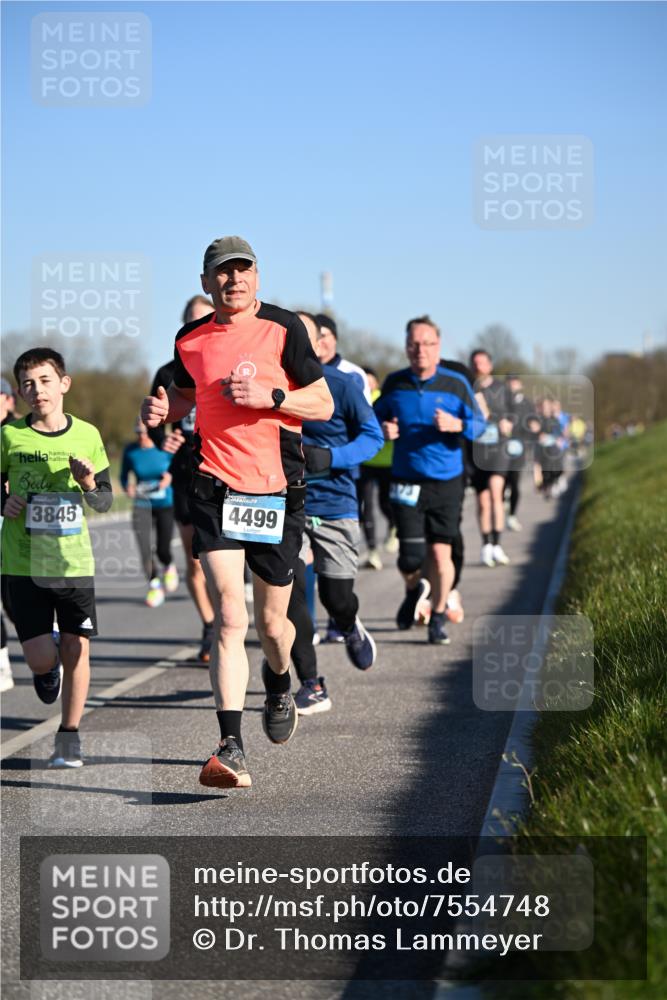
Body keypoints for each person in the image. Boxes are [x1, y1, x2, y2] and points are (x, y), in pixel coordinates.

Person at [141, 236, 333, 789]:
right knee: (230, 615)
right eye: (222, 273)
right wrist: (164, 408)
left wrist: (271, 398)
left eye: (243, 270)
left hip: (276, 489)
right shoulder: (191, 339)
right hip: (214, 486)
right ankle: (232, 745)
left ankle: (278, 682)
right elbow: (184, 396)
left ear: (257, 276)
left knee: (275, 626)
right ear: (206, 283)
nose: (234, 280)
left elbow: (320, 403)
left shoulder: (283, 328)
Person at [1, 348, 113, 767]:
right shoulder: (9, 436)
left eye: (45, 380)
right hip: (21, 561)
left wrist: (87, 483)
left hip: (72, 563)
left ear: (64, 383)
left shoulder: (87, 435)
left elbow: (103, 502)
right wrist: (4, 502)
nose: (37, 390)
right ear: (19, 391)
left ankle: (69, 735)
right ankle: (47, 669)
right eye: (28, 383)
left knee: (76, 647)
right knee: (41, 658)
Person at [285, 311, 382, 713]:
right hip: (285, 502)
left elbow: (372, 436)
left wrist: (332, 457)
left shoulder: (342, 386)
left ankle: (347, 623)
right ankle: (310, 682)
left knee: (336, 595)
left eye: (306, 337)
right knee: (288, 595)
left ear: (321, 343)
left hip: (334, 502)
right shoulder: (270, 387)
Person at [374, 317, 485, 645]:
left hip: (446, 482)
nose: (420, 350)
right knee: (409, 558)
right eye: (414, 344)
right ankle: (414, 589)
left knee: (440, 554)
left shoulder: (455, 383)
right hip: (405, 480)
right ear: (406, 346)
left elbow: (480, 424)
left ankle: (437, 616)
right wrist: (382, 430)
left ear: (439, 347)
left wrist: (457, 425)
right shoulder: (395, 383)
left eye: (427, 344)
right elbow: (371, 417)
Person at [150, 295, 217, 659]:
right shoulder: (166, 373)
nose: (197, 325)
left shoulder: (230, 366)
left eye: (203, 319)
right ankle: (210, 624)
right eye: (190, 320)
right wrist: (165, 437)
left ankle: (228, 618)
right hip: (185, 473)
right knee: (194, 559)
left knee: (224, 554)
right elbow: (155, 421)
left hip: (223, 468)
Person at [121, 417, 177, 608]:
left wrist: (170, 479)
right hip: (142, 504)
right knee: (145, 549)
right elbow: (123, 476)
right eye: (138, 432)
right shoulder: (131, 451)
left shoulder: (164, 448)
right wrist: (127, 485)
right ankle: (154, 585)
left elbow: (177, 470)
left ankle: (168, 565)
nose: (141, 436)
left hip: (165, 503)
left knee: (162, 549)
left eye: (144, 432)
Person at [469, 349, 515, 567]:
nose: (478, 366)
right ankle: (486, 545)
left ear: (490, 365)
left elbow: (514, 414)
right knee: (482, 501)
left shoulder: (502, 388)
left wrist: (506, 422)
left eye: (482, 363)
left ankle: (497, 544)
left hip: (498, 448)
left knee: (496, 493)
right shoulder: (468, 388)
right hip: (478, 450)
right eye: (475, 363)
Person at [357, 367, 397, 571]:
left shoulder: (385, 399)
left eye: (371, 380)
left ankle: (393, 526)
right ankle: (372, 551)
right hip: (365, 462)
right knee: (366, 506)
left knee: (384, 502)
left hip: (387, 461)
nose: (369, 383)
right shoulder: (356, 397)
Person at [503, 374, 540, 532]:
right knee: (500, 480)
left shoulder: (527, 404)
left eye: (515, 382)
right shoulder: (501, 401)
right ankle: (501, 504)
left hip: (519, 447)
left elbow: (535, 423)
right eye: (510, 382)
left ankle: (512, 515)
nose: (512, 385)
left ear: (520, 384)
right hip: (501, 446)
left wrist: (534, 427)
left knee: (515, 482)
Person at [0, 377, 18, 692]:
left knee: (15, 604)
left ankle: (47, 637)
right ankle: (2, 662)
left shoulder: (21, 434)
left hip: (18, 530)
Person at [314, 314, 371, 403]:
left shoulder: (353, 373)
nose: (318, 341)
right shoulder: (300, 370)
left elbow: (365, 413)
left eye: (323, 336)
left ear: (335, 338)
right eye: (314, 336)